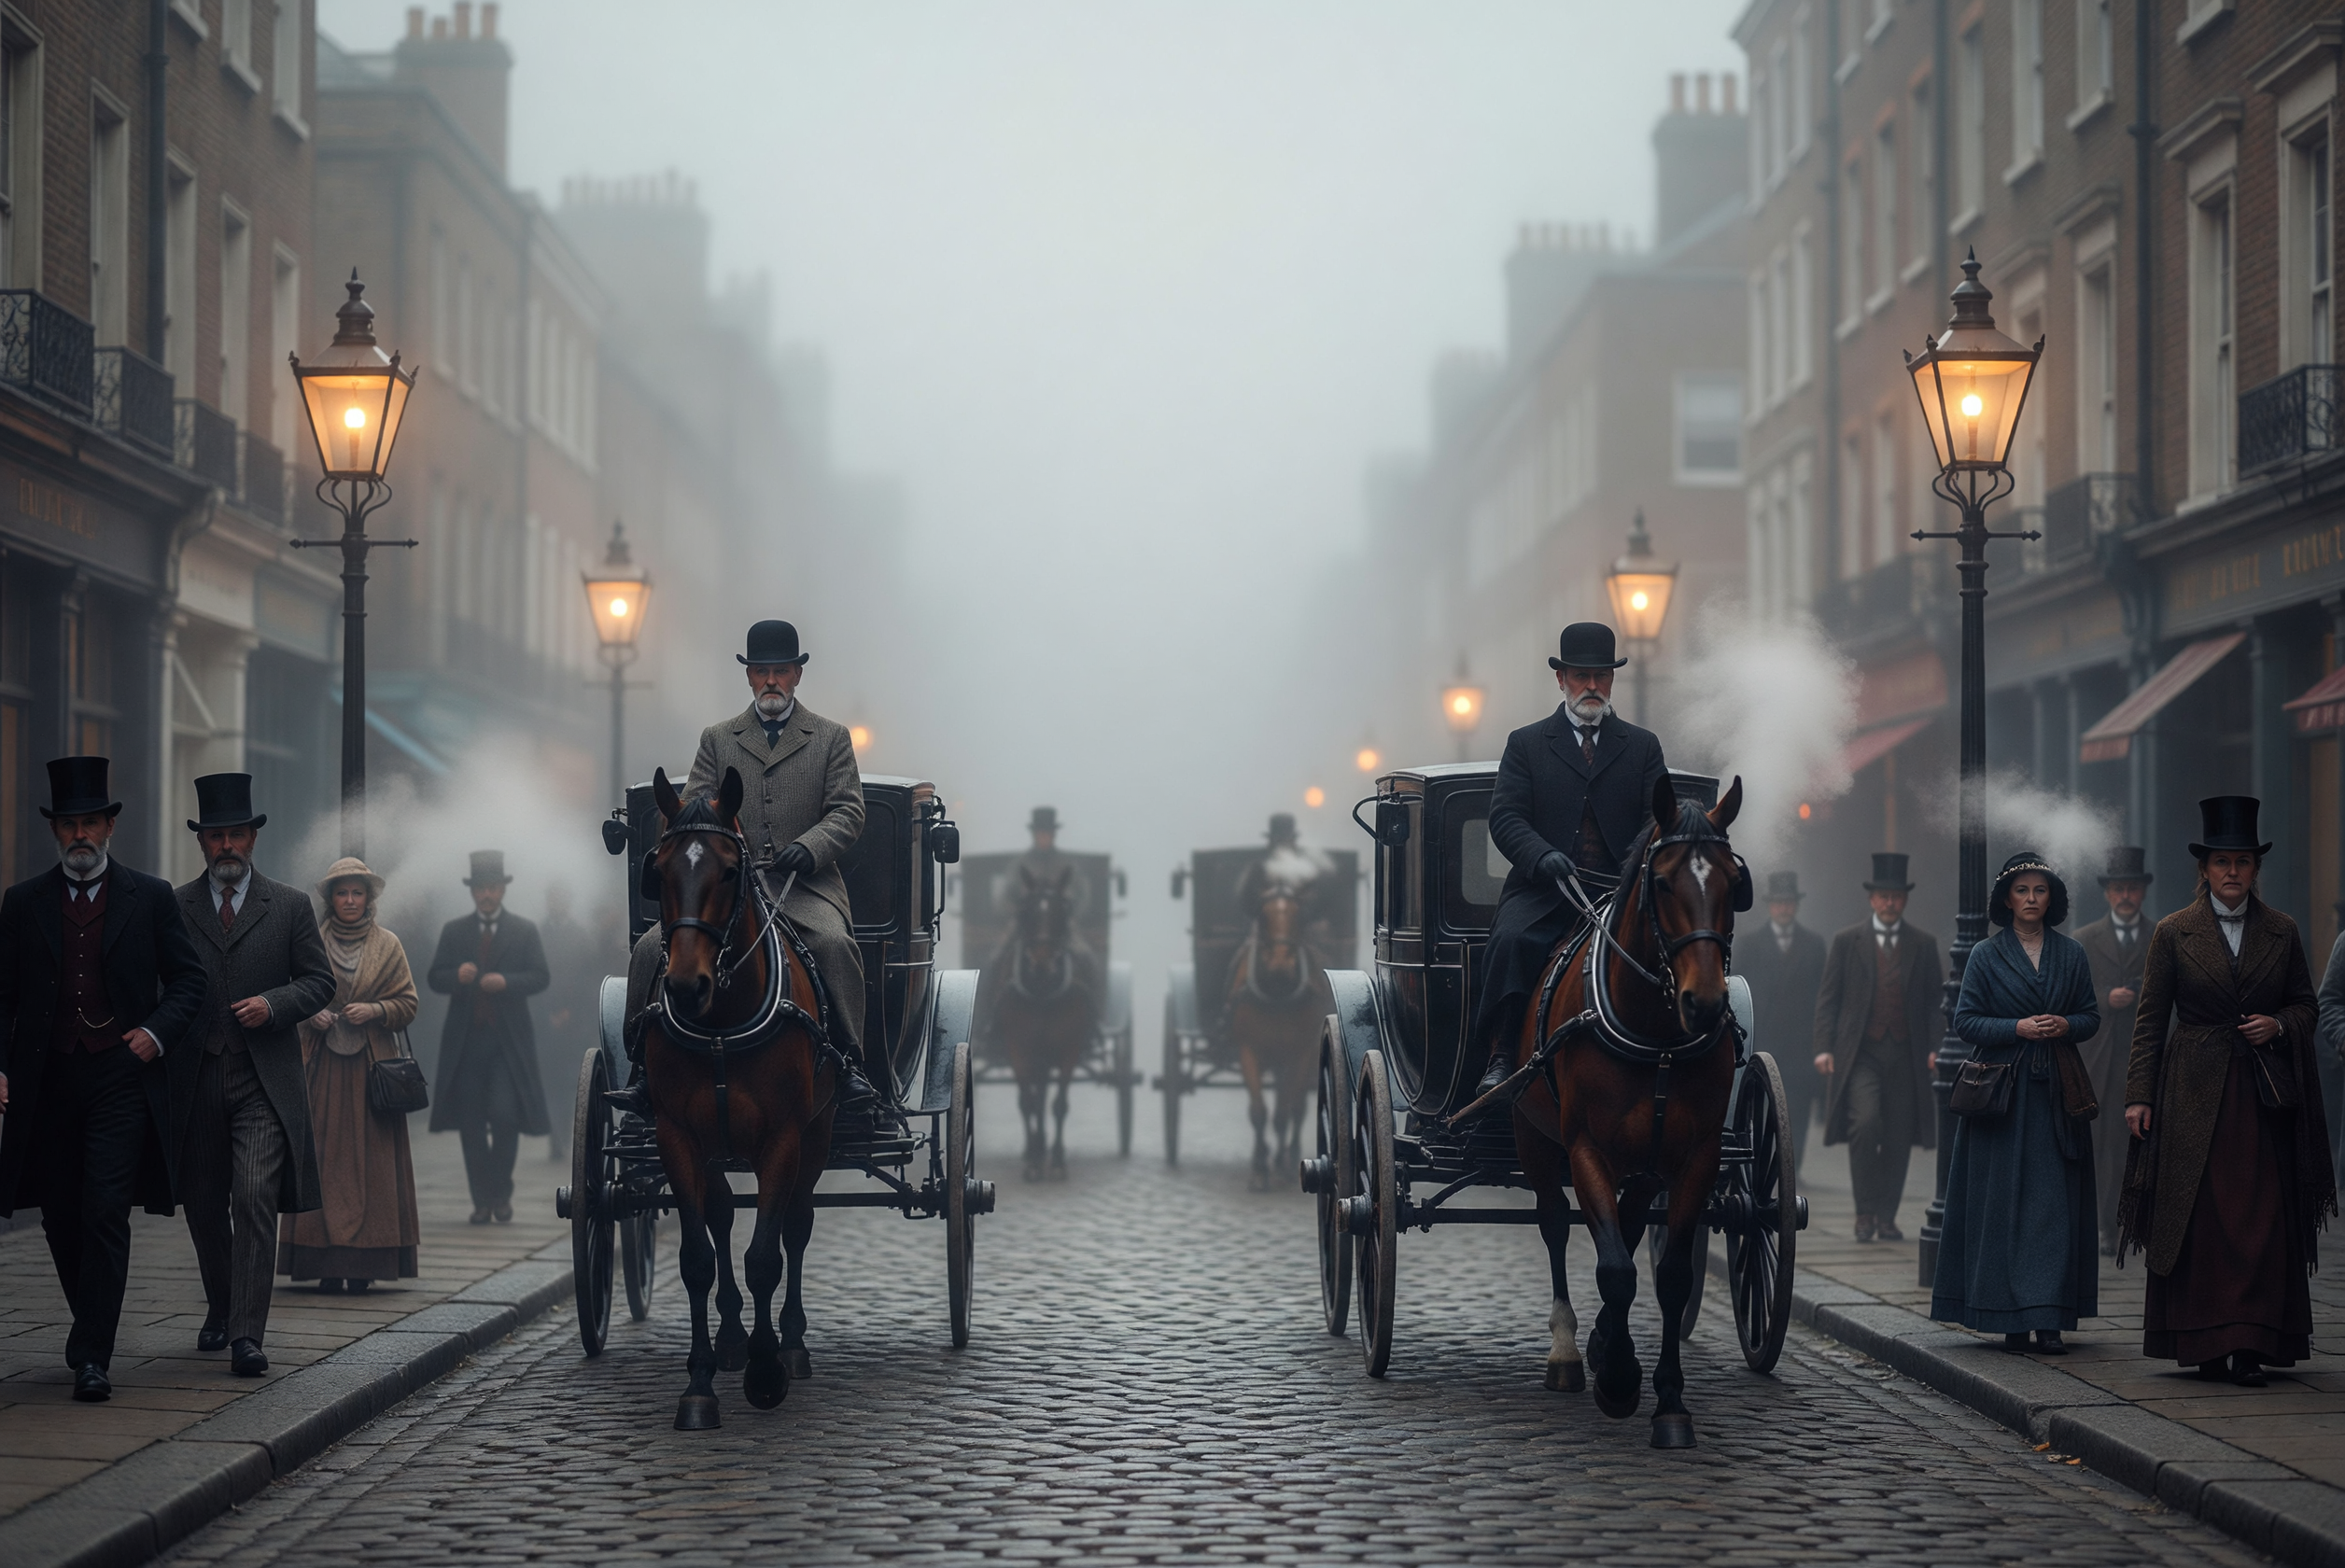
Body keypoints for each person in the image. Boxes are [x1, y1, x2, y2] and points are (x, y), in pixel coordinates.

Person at [0, 757, 207, 1403]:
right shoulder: (23, 901)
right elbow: (2, 994)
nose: (81, 835)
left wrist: (155, 1033)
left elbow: (190, 980)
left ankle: (93, 1354)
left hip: (121, 1075)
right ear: (55, 831)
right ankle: (89, 1322)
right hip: (49, 1079)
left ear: (110, 826)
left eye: (91, 822)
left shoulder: (150, 896)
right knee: (60, 1214)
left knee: (105, 1210)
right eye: (69, 825)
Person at [618, 617, 873, 1114]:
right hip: (724, 886)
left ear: (797, 675)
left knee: (834, 944)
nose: (771, 681)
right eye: (761, 671)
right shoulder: (717, 738)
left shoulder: (831, 737)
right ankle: (643, 1068)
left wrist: (810, 847)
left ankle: (849, 1064)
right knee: (650, 948)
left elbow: (849, 810)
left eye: (781, 671)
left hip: (804, 886)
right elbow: (692, 809)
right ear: (749, 676)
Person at [2122, 796, 2333, 1388]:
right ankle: (2204, 1343)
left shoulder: (2282, 930)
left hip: (2264, 1097)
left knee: (2262, 1216)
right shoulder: (2172, 931)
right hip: (2191, 1092)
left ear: (2255, 868)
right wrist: (2139, 1095)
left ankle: (2251, 1345)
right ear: (2205, 869)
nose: (2232, 871)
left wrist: (2279, 1025)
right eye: (2222, 861)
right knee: (2201, 1218)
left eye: (2242, 861)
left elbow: (2307, 1006)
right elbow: (2150, 1020)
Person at [171, 773, 335, 1379]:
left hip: (263, 1081)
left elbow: (319, 982)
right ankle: (221, 1305)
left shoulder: (287, 905)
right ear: (202, 842)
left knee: (253, 1196)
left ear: (253, 839)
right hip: (194, 1079)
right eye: (216, 837)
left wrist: (274, 1004)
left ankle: (246, 1334)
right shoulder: (175, 906)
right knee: (203, 1204)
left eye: (236, 835)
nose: (227, 846)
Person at [1469, 623, 1668, 1099]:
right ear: (1561, 679)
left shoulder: (1643, 746)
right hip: (1544, 891)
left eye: (1602, 676)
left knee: (1675, 946)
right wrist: (1543, 857)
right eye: (1581, 676)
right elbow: (1506, 817)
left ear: (1613, 679)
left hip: (1620, 893)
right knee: (1511, 940)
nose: (1592, 686)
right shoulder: (1526, 743)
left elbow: (1657, 818)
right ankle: (1501, 1055)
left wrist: (1633, 872)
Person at [1931, 852, 2100, 1354]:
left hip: (2058, 1096)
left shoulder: (2072, 953)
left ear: (2052, 898)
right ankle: (2008, 1317)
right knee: (2001, 1206)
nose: (2031, 899)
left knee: (2053, 1207)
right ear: (2007, 899)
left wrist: (2066, 1025)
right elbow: (1965, 1021)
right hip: (2001, 1100)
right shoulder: (1985, 955)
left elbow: (2090, 1016)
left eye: (2039, 890)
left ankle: (2049, 1319)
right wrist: (2016, 1028)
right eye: (2022, 891)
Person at [279, 858, 420, 1292]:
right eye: (342, 893)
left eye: (358, 892)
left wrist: (376, 1009)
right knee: (321, 1160)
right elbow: (288, 995)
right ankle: (324, 1264)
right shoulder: (310, 941)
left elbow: (409, 1004)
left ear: (369, 897)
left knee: (374, 1163)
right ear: (330, 899)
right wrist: (312, 1012)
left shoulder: (389, 944)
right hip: (322, 1071)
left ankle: (364, 1266)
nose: (350, 900)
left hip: (372, 1073)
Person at [1814, 852, 1945, 1242]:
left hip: (1907, 1055)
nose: (1890, 903)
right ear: (1871, 899)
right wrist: (1824, 1047)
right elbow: (1828, 1000)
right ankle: (1864, 1212)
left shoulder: (1923, 944)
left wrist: (1936, 1046)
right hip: (1861, 1055)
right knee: (1866, 1124)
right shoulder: (1846, 941)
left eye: (1896, 896)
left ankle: (1886, 1218)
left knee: (1899, 1136)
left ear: (1904, 900)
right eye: (1883, 896)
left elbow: (1935, 1004)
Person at [427, 851, 551, 1224]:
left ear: (502, 890)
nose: (486, 894)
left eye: (493, 887)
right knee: (471, 1124)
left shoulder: (524, 930)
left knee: (505, 1116)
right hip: (466, 1044)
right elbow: (434, 977)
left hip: (508, 1046)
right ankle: (482, 1201)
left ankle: (500, 1192)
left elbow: (540, 976)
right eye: (480, 888)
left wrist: (507, 981)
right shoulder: (454, 931)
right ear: (472, 891)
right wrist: (456, 977)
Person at [2075, 847, 2153, 1253]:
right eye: (2119, 888)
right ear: (2107, 893)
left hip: (2142, 1057)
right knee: (2100, 1146)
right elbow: (2071, 996)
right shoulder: (2084, 940)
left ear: (2143, 892)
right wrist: (2105, 997)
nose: (2125, 896)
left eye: (2132, 889)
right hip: (2098, 1059)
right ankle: (2105, 1226)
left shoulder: (2161, 936)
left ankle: (2134, 1223)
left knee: (2137, 1145)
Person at [1736, 871, 1827, 1151]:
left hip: (1801, 1050)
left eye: (1788, 902)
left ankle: (1792, 1168)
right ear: (1770, 906)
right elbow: (1739, 996)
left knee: (1796, 1118)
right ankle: (1763, 1165)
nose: (1784, 908)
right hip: (1763, 1046)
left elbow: (1823, 998)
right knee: (1760, 1114)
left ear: (1796, 905)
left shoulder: (1814, 945)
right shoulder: (1749, 945)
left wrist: (1820, 1045)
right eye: (1778, 903)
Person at [535, 882, 598, 1161]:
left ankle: (570, 1133)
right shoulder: (537, 934)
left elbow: (588, 978)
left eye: (561, 898)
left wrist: (570, 1011)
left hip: (574, 1023)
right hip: (545, 1021)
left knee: (573, 1081)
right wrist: (548, 1012)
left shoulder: (580, 936)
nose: (556, 903)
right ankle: (555, 1136)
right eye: (553, 898)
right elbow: (534, 975)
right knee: (548, 1079)